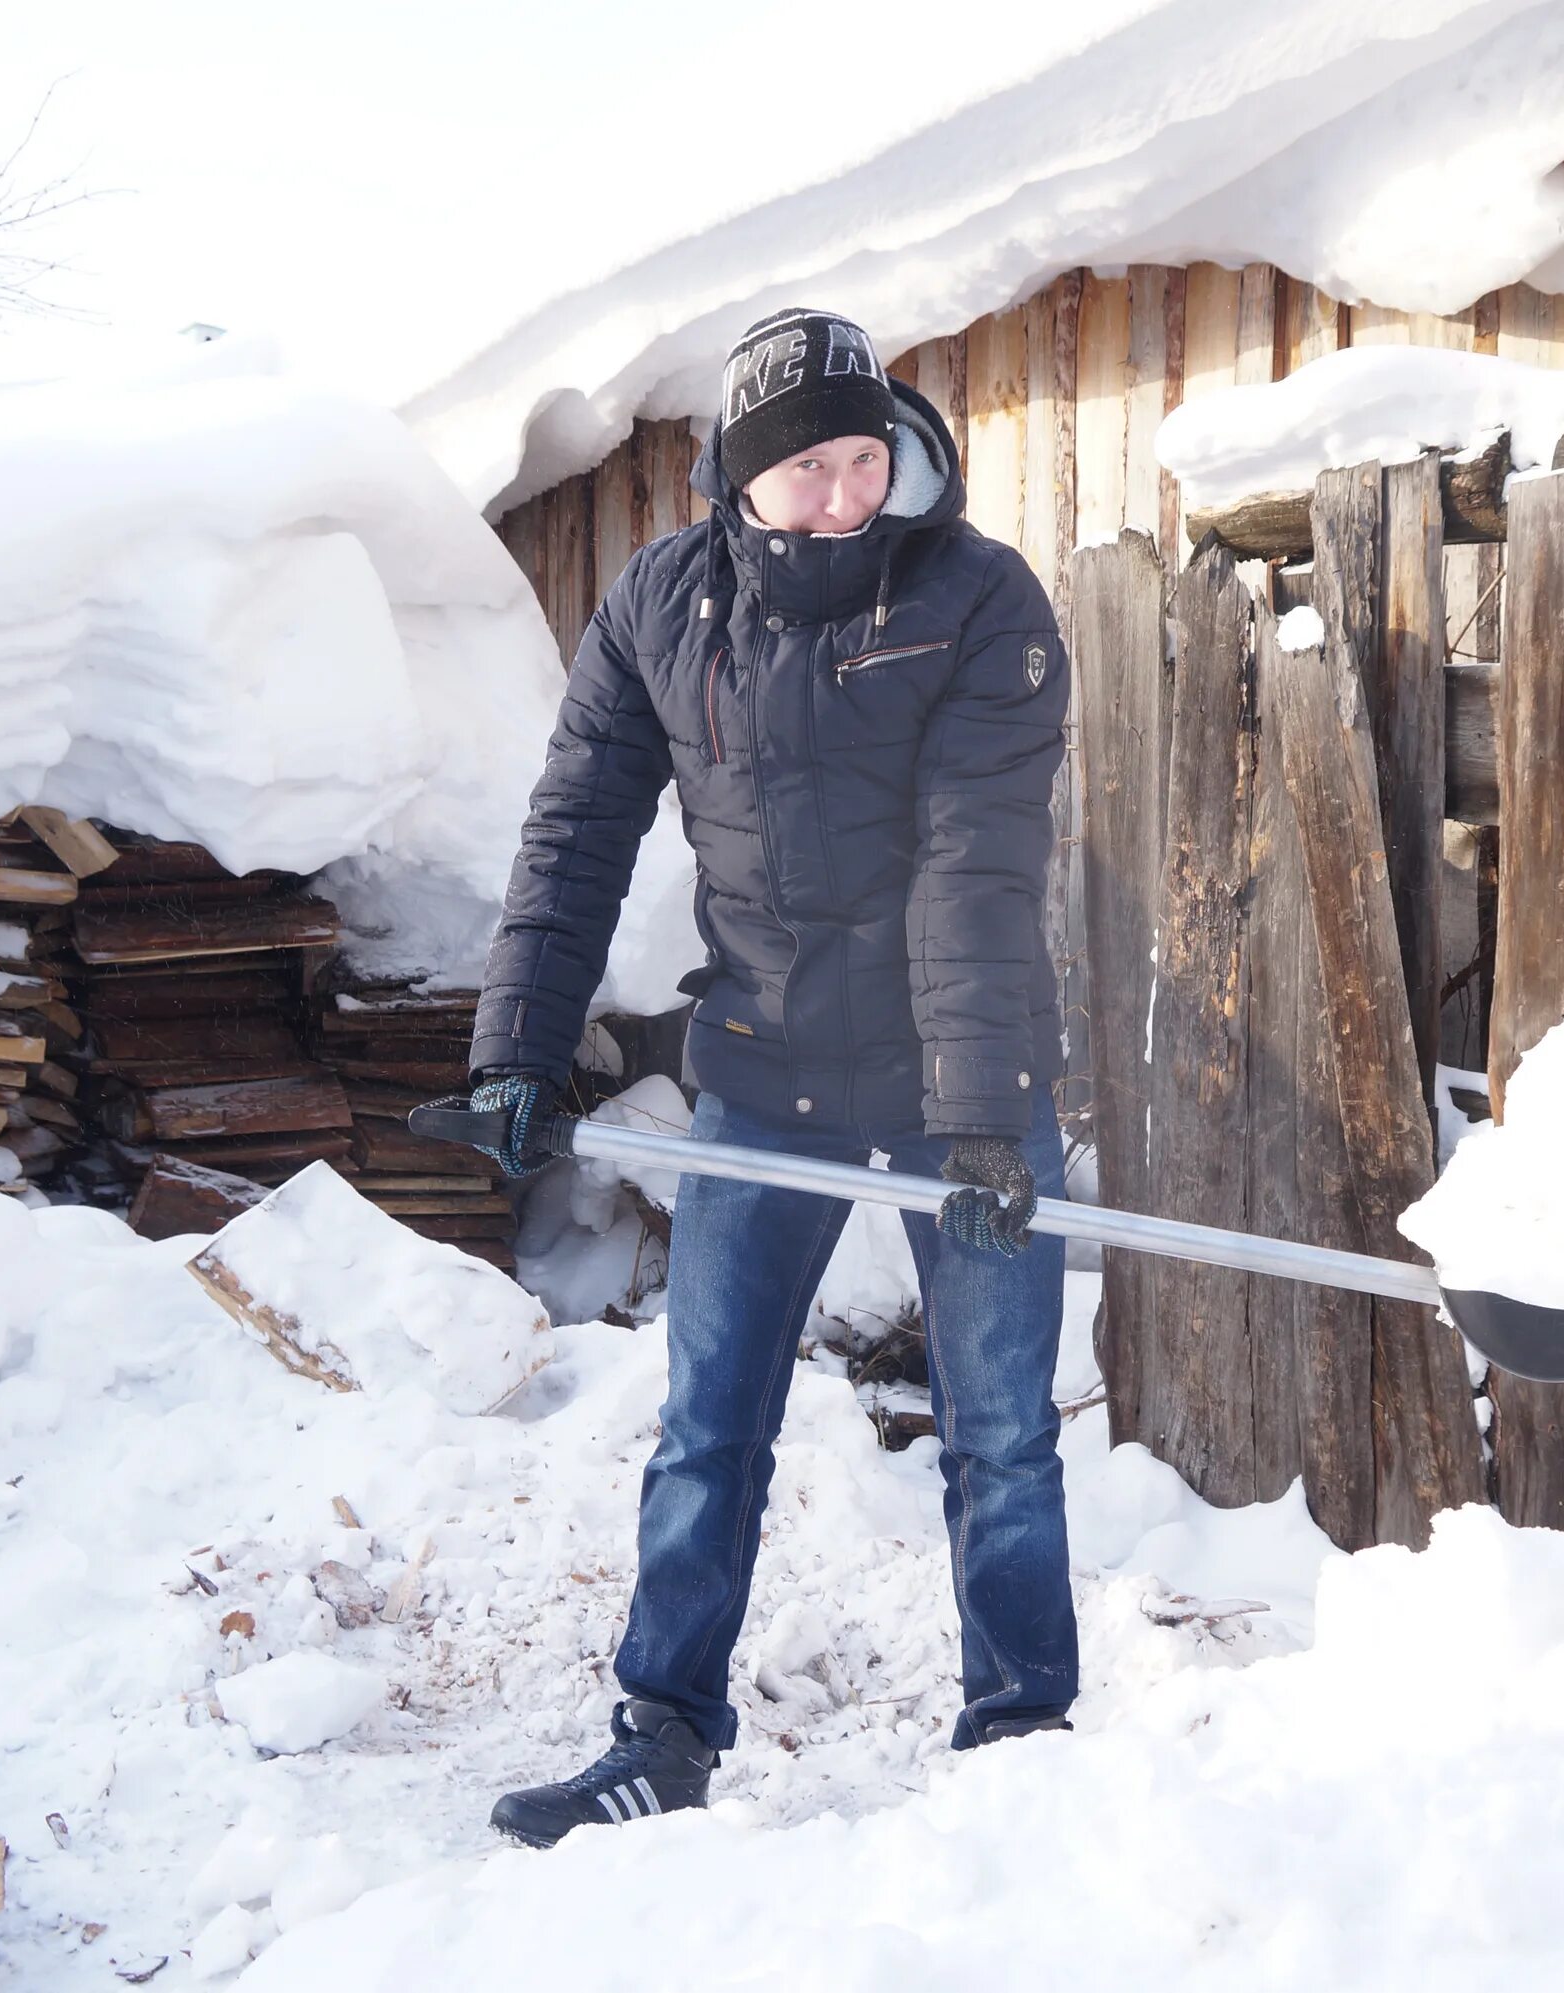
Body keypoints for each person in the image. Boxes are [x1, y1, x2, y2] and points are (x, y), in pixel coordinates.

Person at [464, 306, 1075, 1848]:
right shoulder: (663, 608)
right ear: (743, 479)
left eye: (870, 461)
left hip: (966, 1086)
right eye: (812, 472)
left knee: (999, 1426)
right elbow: (577, 832)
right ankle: (661, 1734)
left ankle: (1027, 1739)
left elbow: (976, 868)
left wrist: (983, 1116)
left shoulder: (977, 598)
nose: (849, 498)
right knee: (709, 1423)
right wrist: (521, 1046)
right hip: (766, 1068)